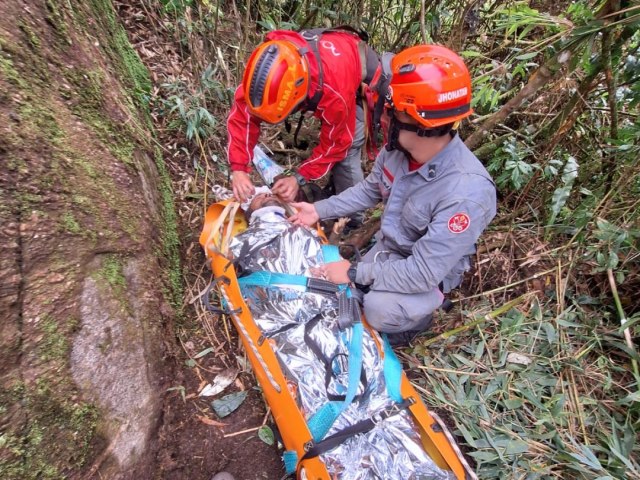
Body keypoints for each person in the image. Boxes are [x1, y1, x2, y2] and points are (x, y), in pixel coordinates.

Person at [290, 44, 497, 344]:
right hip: (390, 249)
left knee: (377, 309)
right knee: (342, 287)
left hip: (425, 274)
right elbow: (369, 190)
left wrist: (353, 273)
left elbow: (422, 271)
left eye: (392, 112)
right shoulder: (399, 152)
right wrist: (318, 210)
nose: (383, 119)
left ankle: (425, 312)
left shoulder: (466, 192)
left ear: (421, 123)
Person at [226, 27, 383, 228]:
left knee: (347, 152)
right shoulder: (266, 68)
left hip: (358, 76)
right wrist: (239, 168)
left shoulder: (334, 93)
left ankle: (352, 221)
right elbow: (243, 117)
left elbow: (337, 143)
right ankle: (334, 193)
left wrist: (299, 178)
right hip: (328, 68)